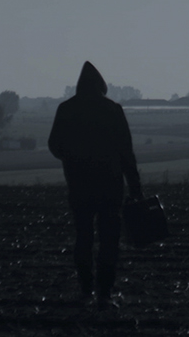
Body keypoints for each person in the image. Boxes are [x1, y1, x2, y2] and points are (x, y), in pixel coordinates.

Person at [48, 61, 143, 309]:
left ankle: (85, 289)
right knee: (109, 239)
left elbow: (54, 145)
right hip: (110, 184)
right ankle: (105, 293)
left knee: (83, 236)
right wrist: (135, 187)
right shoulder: (112, 109)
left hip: (79, 184)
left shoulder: (66, 109)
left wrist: (72, 159)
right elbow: (126, 152)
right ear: (101, 86)